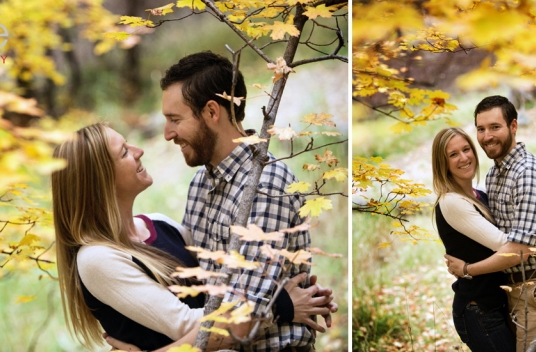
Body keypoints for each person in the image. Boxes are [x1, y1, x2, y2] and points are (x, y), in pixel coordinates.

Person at [52, 123, 333, 352]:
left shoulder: (160, 225)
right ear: (99, 181)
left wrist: (305, 294)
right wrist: (281, 304)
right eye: (124, 152)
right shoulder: (97, 258)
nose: (139, 151)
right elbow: (188, 326)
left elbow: (219, 283)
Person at [160, 51, 335, 351]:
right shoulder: (199, 184)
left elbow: (242, 320)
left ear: (212, 112)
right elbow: (196, 296)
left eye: (175, 119)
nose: (167, 134)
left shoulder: (267, 184)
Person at [445, 95, 536, 351]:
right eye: (481, 129)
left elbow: (519, 250)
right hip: (510, 290)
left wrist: (468, 269)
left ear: (513, 126)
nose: (487, 136)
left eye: (495, 127)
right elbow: (503, 236)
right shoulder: (494, 175)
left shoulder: (527, 173)